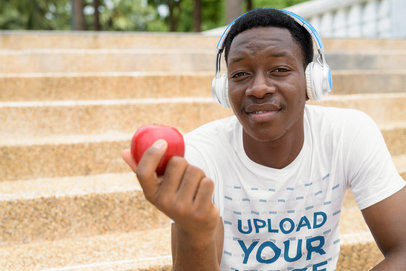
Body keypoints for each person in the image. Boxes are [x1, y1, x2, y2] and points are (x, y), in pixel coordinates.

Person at [122, 8, 406, 270]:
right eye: (240, 74)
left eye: (279, 70)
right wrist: (195, 232)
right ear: (224, 89)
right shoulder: (201, 154)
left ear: (312, 82)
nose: (258, 88)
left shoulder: (348, 133)